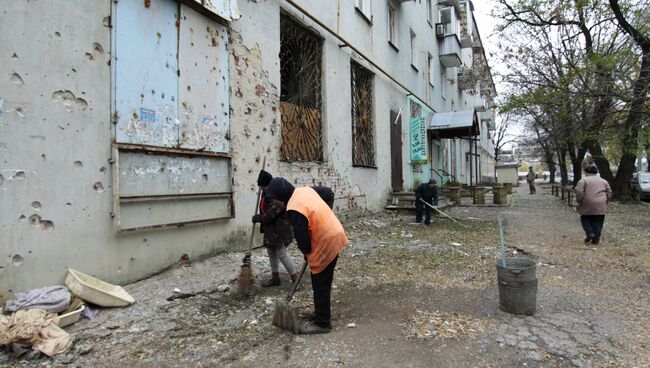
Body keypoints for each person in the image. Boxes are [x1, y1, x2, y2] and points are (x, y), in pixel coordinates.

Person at [266, 177, 348, 334]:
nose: (276, 203)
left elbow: (301, 235)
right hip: (332, 233)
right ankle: (320, 313)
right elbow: (326, 195)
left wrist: (306, 251)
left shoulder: (294, 207)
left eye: (276, 199)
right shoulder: (304, 191)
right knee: (319, 279)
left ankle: (323, 323)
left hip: (326, 239)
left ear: (281, 194)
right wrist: (308, 252)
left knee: (321, 282)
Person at [252, 170, 298, 287]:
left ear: (268, 184)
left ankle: (296, 280)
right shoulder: (265, 194)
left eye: (263, 186)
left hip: (280, 229)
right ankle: (275, 279)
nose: (262, 189)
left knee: (282, 253)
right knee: (271, 252)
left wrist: (258, 217)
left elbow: (269, 215)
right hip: (271, 230)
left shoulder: (276, 195)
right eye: (261, 187)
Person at [575, 165, 612, 245]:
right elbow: (609, 192)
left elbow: (579, 192)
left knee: (585, 218)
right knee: (598, 220)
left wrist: (579, 201)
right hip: (601, 202)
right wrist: (606, 200)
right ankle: (596, 238)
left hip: (587, 202)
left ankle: (589, 233)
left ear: (586, 172)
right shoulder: (604, 181)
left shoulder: (583, 181)